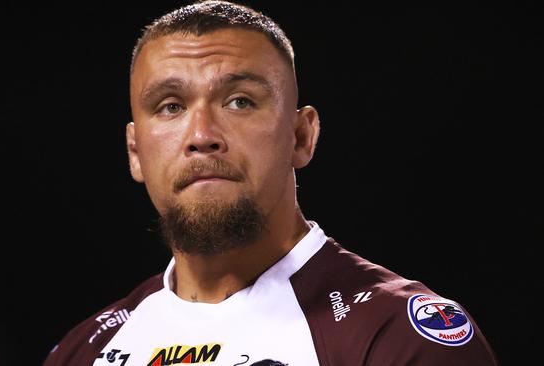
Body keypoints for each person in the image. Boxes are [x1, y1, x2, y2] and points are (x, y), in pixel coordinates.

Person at [43, 1, 498, 365]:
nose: (202, 136)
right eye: (170, 106)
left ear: (301, 137)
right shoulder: (85, 350)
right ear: (136, 151)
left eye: (239, 102)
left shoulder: (395, 338)